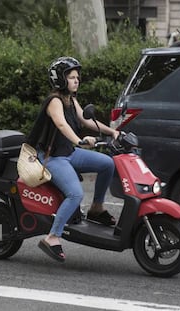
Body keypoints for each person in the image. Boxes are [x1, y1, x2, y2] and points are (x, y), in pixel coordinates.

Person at [27, 56, 120, 262]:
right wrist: (79, 141)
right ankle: (52, 237)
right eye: (71, 77)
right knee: (75, 194)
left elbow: (85, 121)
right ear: (60, 80)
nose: (76, 80)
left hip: (68, 153)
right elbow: (61, 125)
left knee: (107, 164)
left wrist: (112, 132)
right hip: (52, 158)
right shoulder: (54, 101)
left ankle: (97, 208)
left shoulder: (71, 99)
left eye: (77, 77)